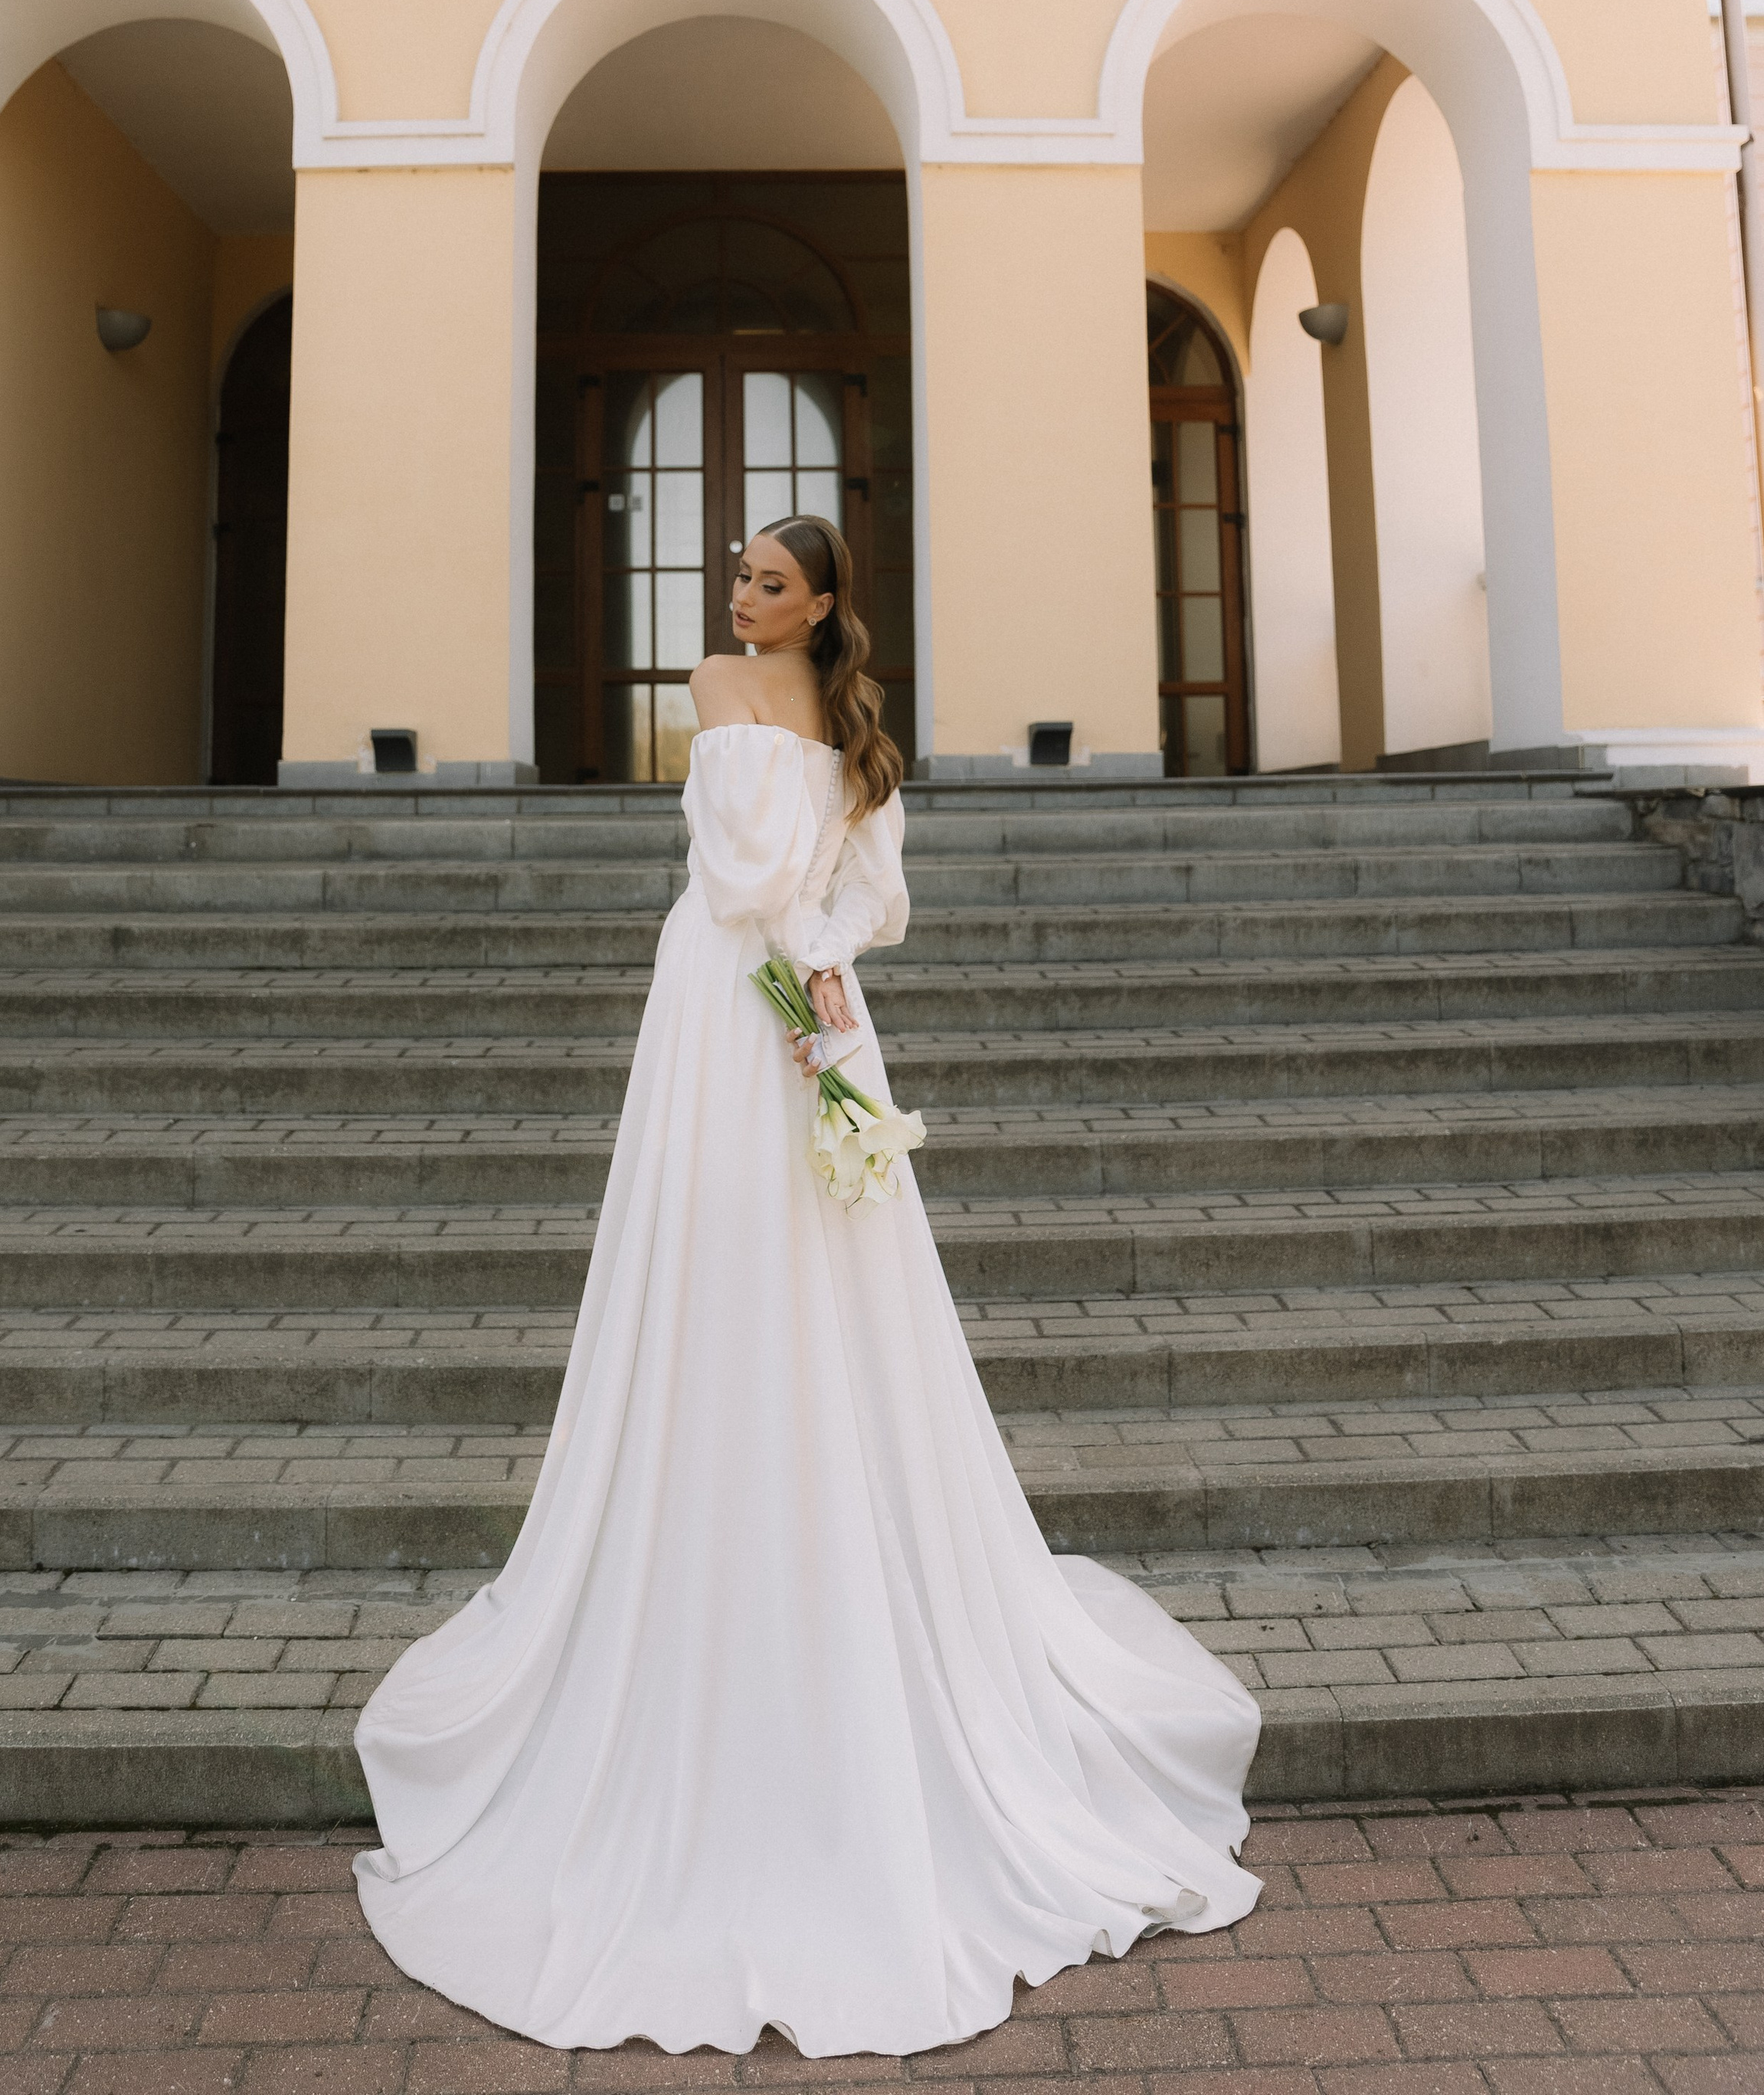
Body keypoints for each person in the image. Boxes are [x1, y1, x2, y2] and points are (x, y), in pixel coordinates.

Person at [354, 515, 1261, 2057]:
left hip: (798, 1013)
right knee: (707, 1251)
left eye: (770, 582)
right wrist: (797, 960)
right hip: (720, 1010)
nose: (741, 599)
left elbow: (861, 893)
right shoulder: (719, 683)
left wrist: (824, 978)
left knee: (833, 1277)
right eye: (737, 578)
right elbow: (739, 878)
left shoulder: (848, 729)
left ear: (824, 602)